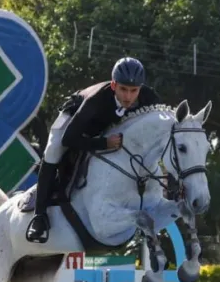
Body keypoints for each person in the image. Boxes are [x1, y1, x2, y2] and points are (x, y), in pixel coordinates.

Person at [26, 57, 162, 243]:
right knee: (54, 149)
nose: (128, 97)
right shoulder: (95, 100)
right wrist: (103, 144)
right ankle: (39, 217)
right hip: (75, 122)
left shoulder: (149, 99)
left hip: (107, 127)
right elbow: (69, 138)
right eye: (123, 89)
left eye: (134, 91)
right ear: (114, 85)